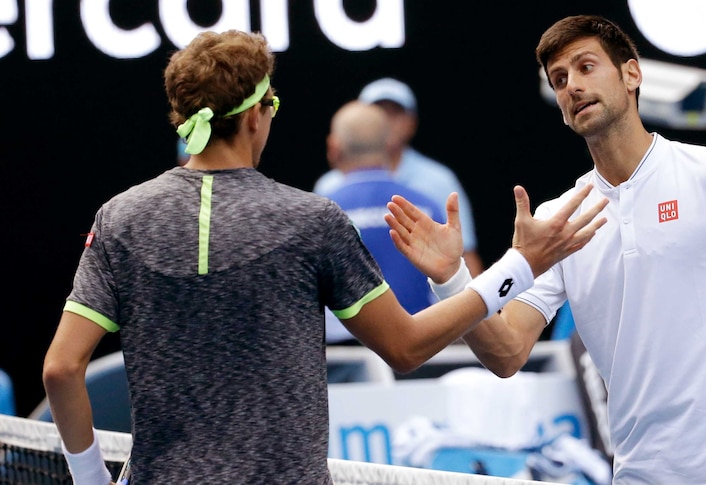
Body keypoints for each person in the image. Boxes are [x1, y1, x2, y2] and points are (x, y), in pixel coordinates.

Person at [40, 29, 609, 484]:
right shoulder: (309, 222)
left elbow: (62, 370)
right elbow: (406, 347)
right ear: (259, 112)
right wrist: (519, 266)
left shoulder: (119, 218)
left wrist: (90, 481)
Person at [384, 14, 706, 484]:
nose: (572, 87)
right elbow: (507, 353)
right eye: (559, 80)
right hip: (639, 473)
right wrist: (451, 276)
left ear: (632, 74)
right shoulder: (557, 221)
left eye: (585, 67)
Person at [313, 77, 485, 277]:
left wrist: (475, 307)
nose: (386, 119)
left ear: (412, 123)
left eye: (396, 113)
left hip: (428, 305)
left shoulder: (440, 180)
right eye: (378, 111)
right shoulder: (328, 186)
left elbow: (465, 254)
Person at [323, 100, 444, 345]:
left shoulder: (319, 215)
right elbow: (451, 295)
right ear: (389, 145)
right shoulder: (426, 208)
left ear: (333, 148)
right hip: (424, 357)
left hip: (347, 367)